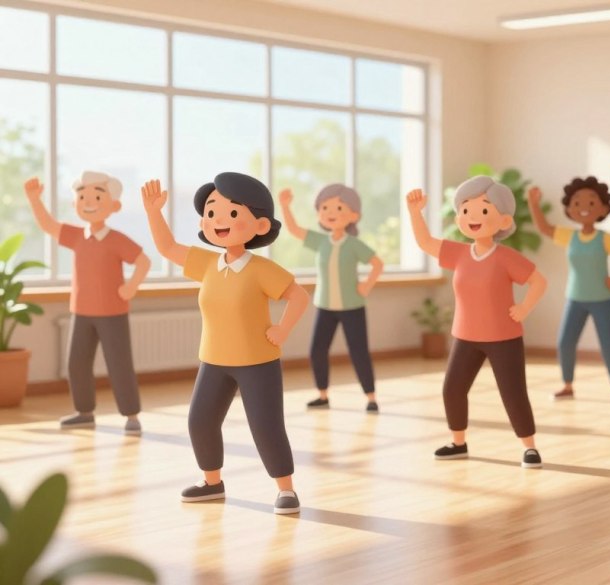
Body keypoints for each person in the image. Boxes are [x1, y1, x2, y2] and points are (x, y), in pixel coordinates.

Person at [142, 173, 309, 515]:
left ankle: (286, 489)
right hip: (214, 361)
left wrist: (282, 329)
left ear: (260, 225)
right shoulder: (207, 263)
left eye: (232, 213)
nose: (219, 220)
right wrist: (153, 212)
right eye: (211, 211)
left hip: (257, 361)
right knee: (200, 421)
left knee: (265, 425)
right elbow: (167, 248)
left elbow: (299, 296)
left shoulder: (261, 268)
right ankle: (212, 482)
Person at [406, 176, 547, 468]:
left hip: (503, 336)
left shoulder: (506, 257)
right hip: (465, 337)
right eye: (466, 210)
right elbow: (425, 242)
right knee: (453, 389)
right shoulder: (458, 253)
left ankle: (529, 447)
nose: (472, 217)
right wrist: (415, 213)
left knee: (513, 393)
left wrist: (524, 308)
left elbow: (538, 282)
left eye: (483, 210)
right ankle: (458, 443)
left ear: (504, 220)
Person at [24, 172, 150, 435]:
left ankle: (131, 414)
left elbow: (143, 261)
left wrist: (131, 287)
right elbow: (48, 225)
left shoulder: (116, 239)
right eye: (82, 197)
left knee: (119, 364)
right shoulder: (76, 235)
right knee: (76, 363)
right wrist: (35, 200)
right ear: (75, 204)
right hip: (81, 311)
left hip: (113, 312)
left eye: (96, 196)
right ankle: (84, 412)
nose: (88, 202)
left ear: (114, 206)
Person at [527, 177, 610, 404]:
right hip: (575, 299)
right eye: (577, 203)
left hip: (603, 300)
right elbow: (544, 228)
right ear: (569, 208)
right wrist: (533, 204)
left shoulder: (605, 239)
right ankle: (567, 386)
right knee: (565, 342)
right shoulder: (570, 236)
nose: (584, 208)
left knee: (609, 345)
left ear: (604, 208)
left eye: (591, 203)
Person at [279, 184, 383, 412]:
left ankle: (371, 397)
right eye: (325, 207)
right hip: (325, 307)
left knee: (359, 352)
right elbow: (294, 229)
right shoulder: (320, 241)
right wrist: (285, 206)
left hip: (352, 307)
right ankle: (322, 395)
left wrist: (367, 284)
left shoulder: (354, 245)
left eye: (338, 207)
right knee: (317, 350)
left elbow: (377, 264)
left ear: (354, 215)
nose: (330, 212)